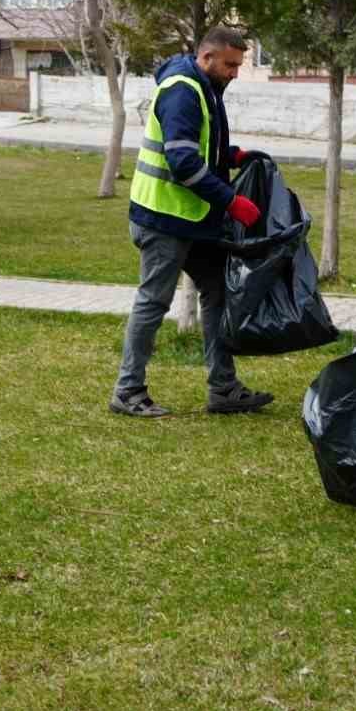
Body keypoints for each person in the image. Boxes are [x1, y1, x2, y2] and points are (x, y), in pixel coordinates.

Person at [111, 27, 275, 418]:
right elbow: (182, 160)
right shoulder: (183, 90)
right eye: (231, 64)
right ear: (207, 58)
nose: (236, 72)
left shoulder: (204, 88)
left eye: (239, 65)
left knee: (217, 290)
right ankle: (127, 391)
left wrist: (231, 156)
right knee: (153, 301)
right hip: (163, 219)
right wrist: (232, 202)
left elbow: (199, 145)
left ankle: (223, 388)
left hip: (191, 219)